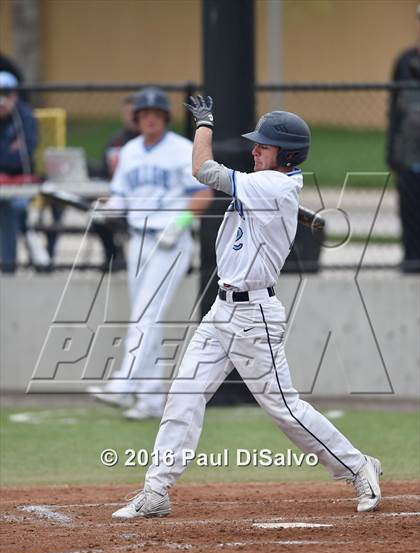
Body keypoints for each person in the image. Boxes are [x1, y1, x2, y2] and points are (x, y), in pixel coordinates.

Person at [112, 96, 382, 520]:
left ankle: (358, 466)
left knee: (284, 409)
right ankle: (156, 490)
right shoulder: (271, 185)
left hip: (254, 316)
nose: (255, 150)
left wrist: (203, 124)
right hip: (222, 310)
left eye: (264, 146)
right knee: (184, 394)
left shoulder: (273, 186)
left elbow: (202, 169)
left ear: (287, 155)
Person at [88, 87, 212, 420]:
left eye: (156, 115)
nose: (150, 120)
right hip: (138, 240)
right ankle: (151, 398)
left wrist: (182, 221)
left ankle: (124, 382)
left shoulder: (181, 150)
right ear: (137, 118)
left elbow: (204, 191)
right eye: (144, 115)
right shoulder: (129, 151)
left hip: (170, 240)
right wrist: (109, 209)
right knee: (147, 317)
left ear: (165, 119)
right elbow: (120, 195)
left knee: (146, 312)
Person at [386, 4, 420, 273]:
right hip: (408, 155)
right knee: (409, 210)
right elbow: (394, 110)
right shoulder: (406, 61)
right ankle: (411, 259)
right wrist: (392, 151)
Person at [0, 71, 38, 272]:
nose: (2, 99)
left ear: (15, 95)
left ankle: (7, 269)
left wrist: (7, 155)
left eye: (6, 93)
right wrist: (9, 150)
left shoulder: (24, 116)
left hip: (21, 185)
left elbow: (24, 154)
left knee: (9, 207)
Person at [101, 94, 138, 179]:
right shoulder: (115, 141)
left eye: (133, 113)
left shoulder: (150, 141)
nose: (130, 118)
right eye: (127, 113)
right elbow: (104, 171)